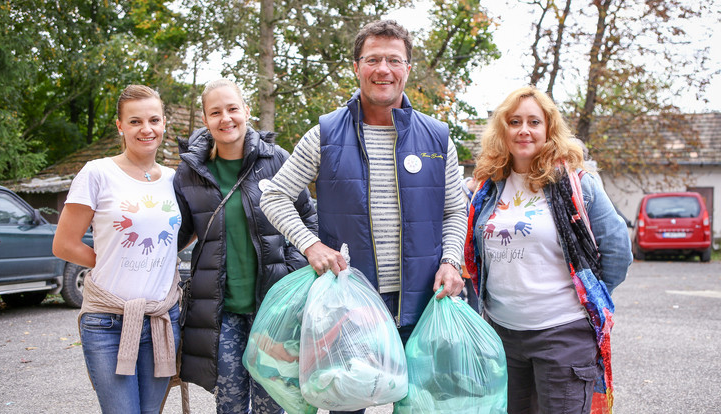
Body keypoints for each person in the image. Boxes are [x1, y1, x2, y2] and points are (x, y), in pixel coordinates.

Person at [260, 20, 468, 414]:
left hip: (422, 302)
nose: (383, 69)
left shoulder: (438, 138)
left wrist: (451, 261)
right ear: (357, 67)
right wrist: (310, 244)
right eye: (373, 59)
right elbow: (272, 194)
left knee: (420, 406)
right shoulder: (325, 134)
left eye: (394, 59)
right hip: (348, 304)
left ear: (408, 67)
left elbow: (456, 209)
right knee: (345, 405)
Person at [464, 86, 632, 414]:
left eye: (534, 122)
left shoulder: (576, 185)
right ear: (502, 130)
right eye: (514, 122)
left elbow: (617, 251)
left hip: (563, 335)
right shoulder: (488, 188)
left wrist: (585, 302)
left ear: (548, 129)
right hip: (503, 335)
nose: (524, 130)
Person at [173, 78, 318, 414]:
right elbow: (175, 235)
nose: (226, 118)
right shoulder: (190, 172)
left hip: (274, 310)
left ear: (247, 111)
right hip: (221, 313)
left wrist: (293, 272)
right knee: (230, 406)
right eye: (215, 112)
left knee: (273, 404)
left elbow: (309, 219)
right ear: (205, 119)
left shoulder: (276, 159)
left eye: (232, 109)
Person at [52, 85, 182, 413]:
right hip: (107, 323)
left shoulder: (175, 179)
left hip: (161, 320)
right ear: (120, 126)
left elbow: (186, 232)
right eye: (135, 121)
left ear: (164, 123)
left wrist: (158, 259)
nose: (146, 128)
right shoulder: (98, 173)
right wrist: (111, 259)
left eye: (154, 119)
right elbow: (64, 244)